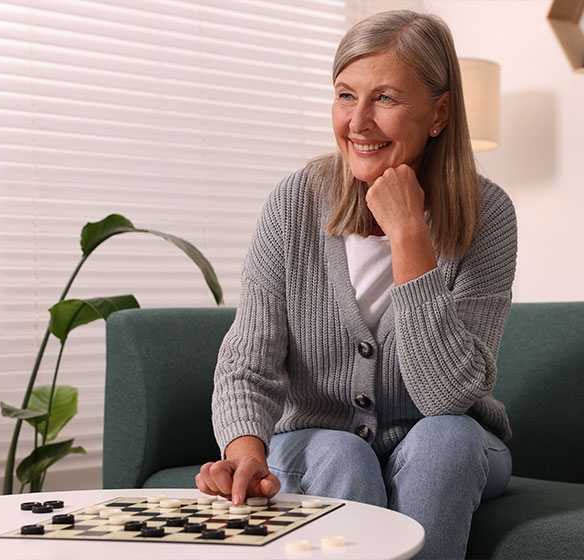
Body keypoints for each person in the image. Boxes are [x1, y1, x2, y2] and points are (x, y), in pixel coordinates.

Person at [196, 9, 517, 559]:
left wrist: (409, 233)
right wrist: (247, 449)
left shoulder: (488, 215)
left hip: (447, 444)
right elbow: (249, 363)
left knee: (450, 437)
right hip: (319, 442)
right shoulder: (295, 202)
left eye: (385, 99)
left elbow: (448, 397)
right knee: (345, 454)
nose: (358, 122)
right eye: (346, 96)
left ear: (439, 113)